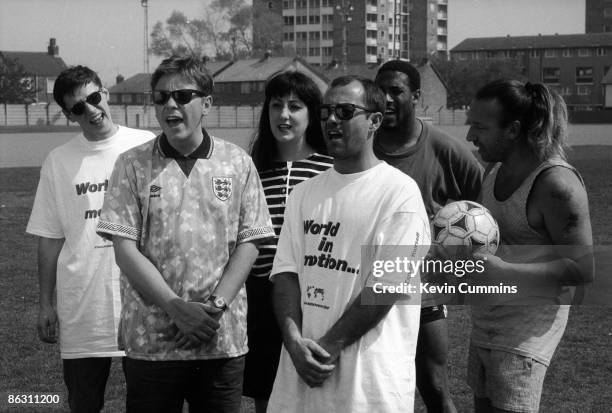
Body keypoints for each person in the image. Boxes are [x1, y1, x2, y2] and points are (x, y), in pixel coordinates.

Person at [96, 55, 275, 413]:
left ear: (207, 103)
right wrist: (176, 309)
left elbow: (251, 240)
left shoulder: (237, 162)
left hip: (219, 337)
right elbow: (124, 248)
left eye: (182, 95)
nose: (170, 105)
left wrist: (213, 307)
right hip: (153, 341)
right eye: (161, 97)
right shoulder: (131, 164)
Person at [267, 75, 431, 412]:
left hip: (367, 389)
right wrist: (294, 341)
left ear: (374, 121)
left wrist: (327, 347)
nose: (331, 120)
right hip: (300, 379)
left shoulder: (399, 193)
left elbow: (386, 286)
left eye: (344, 111)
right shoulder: (304, 193)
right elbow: (285, 275)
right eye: (326, 111)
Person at [26, 65, 155, 412]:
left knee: (150, 403)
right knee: (83, 403)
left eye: (95, 98)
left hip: (145, 302)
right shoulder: (59, 161)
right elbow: (50, 238)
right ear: (69, 115)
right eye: (79, 107)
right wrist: (45, 303)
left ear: (106, 93)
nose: (92, 110)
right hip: (84, 306)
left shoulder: (147, 146)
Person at [465, 79, 593, 413]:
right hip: (486, 321)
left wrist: (505, 271)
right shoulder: (494, 170)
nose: (469, 137)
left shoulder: (557, 185)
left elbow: (582, 270)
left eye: (479, 127)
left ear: (513, 130)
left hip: (525, 335)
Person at [374, 59, 483, 413]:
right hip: (365, 282)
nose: (387, 99)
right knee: (375, 384)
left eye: (397, 91)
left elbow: (483, 208)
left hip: (424, 290)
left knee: (434, 386)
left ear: (416, 96)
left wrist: (457, 242)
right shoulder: (361, 147)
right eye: (381, 91)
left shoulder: (446, 150)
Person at [243, 71, 333, 413]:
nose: (284, 115)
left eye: (294, 106)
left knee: (315, 387)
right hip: (262, 298)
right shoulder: (253, 169)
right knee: (268, 393)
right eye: (276, 105)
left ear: (311, 113)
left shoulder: (329, 168)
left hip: (312, 295)